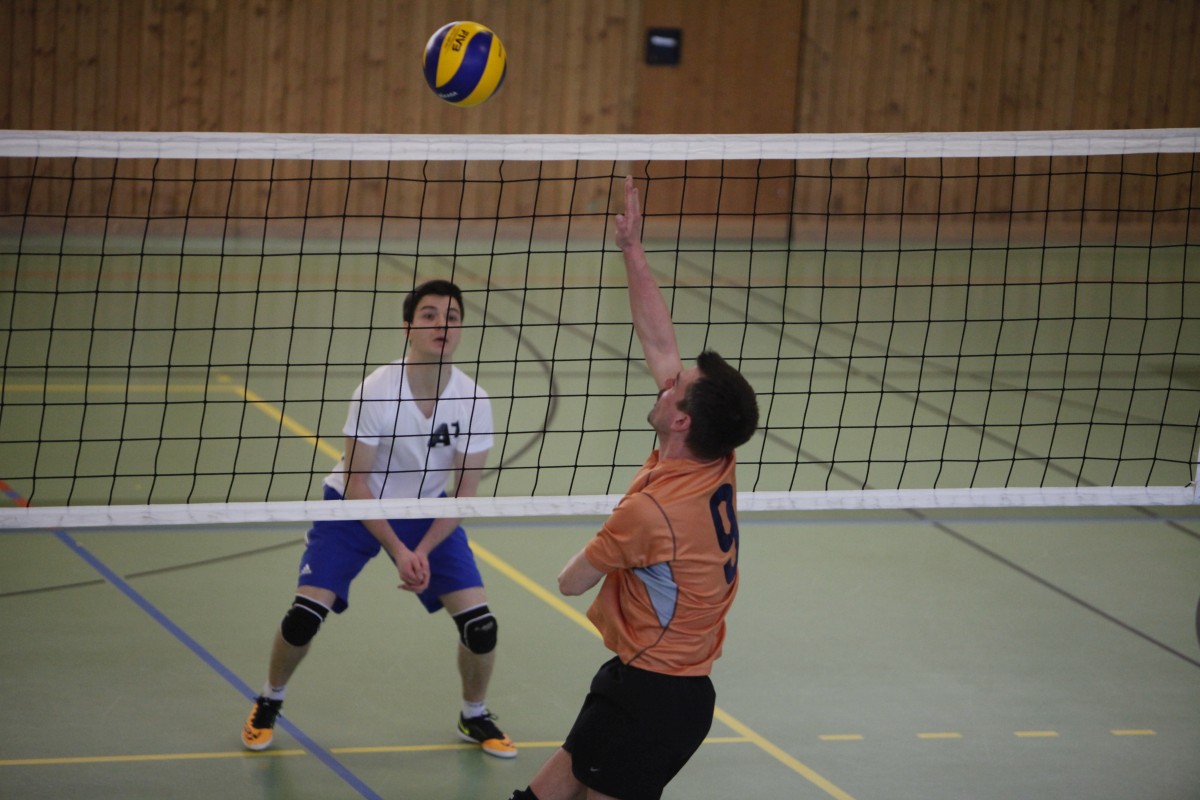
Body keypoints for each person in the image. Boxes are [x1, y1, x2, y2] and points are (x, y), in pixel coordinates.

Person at [509, 177, 759, 800]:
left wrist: (616, 545)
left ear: (682, 421)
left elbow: (571, 582)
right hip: (640, 680)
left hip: (658, 698)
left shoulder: (650, 513)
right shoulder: (715, 454)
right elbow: (659, 340)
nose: (667, 380)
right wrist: (632, 249)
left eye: (678, 386)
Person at [241, 278, 517, 759]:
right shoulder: (376, 391)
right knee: (304, 618)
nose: (442, 324)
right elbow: (356, 483)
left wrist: (421, 550)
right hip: (355, 507)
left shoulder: (474, 399)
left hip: (427, 510)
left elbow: (465, 493)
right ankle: (269, 699)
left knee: (481, 628)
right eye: (429, 315)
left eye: (452, 317)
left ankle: (473, 714)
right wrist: (399, 551)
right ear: (408, 327)